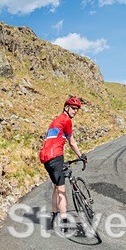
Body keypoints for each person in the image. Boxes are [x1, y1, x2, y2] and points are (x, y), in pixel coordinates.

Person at [39, 96, 87, 229]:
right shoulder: (66, 120)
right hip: (56, 157)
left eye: (77, 109)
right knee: (62, 191)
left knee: (56, 187)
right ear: (66, 108)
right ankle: (64, 222)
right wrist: (81, 155)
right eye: (73, 108)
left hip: (46, 159)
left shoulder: (56, 121)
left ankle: (54, 216)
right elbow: (72, 142)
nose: (75, 111)